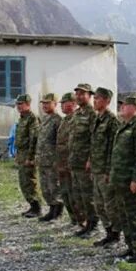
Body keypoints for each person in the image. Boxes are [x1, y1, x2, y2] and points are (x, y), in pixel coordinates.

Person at [109, 96, 136, 261]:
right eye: (122, 105)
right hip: (120, 178)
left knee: (135, 214)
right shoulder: (124, 125)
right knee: (124, 214)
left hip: (130, 179)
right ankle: (130, 246)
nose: (122, 107)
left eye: (126, 105)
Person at [89, 87, 121, 247]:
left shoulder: (112, 120)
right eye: (94, 98)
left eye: (98, 98)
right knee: (99, 204)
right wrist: (90, 161)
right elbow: (95, 144)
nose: (95, 101)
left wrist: (109, 171)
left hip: (105, 171)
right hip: (97, 169)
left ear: (107, 101)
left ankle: (115, 234)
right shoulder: (97, 119)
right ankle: (108, 232)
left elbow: (113, 148)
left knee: (110, 205)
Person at [69, 83, 98, 237]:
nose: (79, 96)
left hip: (85, 162)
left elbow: (94, 138)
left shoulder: (92, 114)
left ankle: (93, 225)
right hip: (75, 161)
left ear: (89, 96)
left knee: (88, 196)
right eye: (77, 94)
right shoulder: (77, 113)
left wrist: (90, 159)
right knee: (78, 195)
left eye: (82, 94)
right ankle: (85, 223)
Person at [37, 93, 63, 222]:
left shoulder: (57, 121)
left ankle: (57, 211)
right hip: (43, 160)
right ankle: (51, 209)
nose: (45, 106)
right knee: (45, 187)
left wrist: (59, 160)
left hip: (52, 161)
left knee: (54, 187)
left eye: (48, 103)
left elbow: (60, 142)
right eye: (44, 103)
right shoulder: (45, 119)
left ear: (55, 104)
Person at [14, 94, 41, 218]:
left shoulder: (32, 118)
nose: (18, 106)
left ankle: (36, 207)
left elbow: (33, 139)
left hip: (28, 154)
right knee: (23, 181)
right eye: (17, 104)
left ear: (28, 104)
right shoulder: (22, 118)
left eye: (21, 104)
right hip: (21, 153)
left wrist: (30, 157)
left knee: (30, 181)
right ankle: (31, 205)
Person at [56, 93, 79, 225]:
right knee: (65, 193)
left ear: (73, 103)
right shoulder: (64, 120)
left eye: (65, 103)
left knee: (74, 193)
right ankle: (73, 219)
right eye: (61, 103)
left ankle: (81, 219)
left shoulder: (75, 119)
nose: (62, 106)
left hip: (71, 163)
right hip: (62, 163)